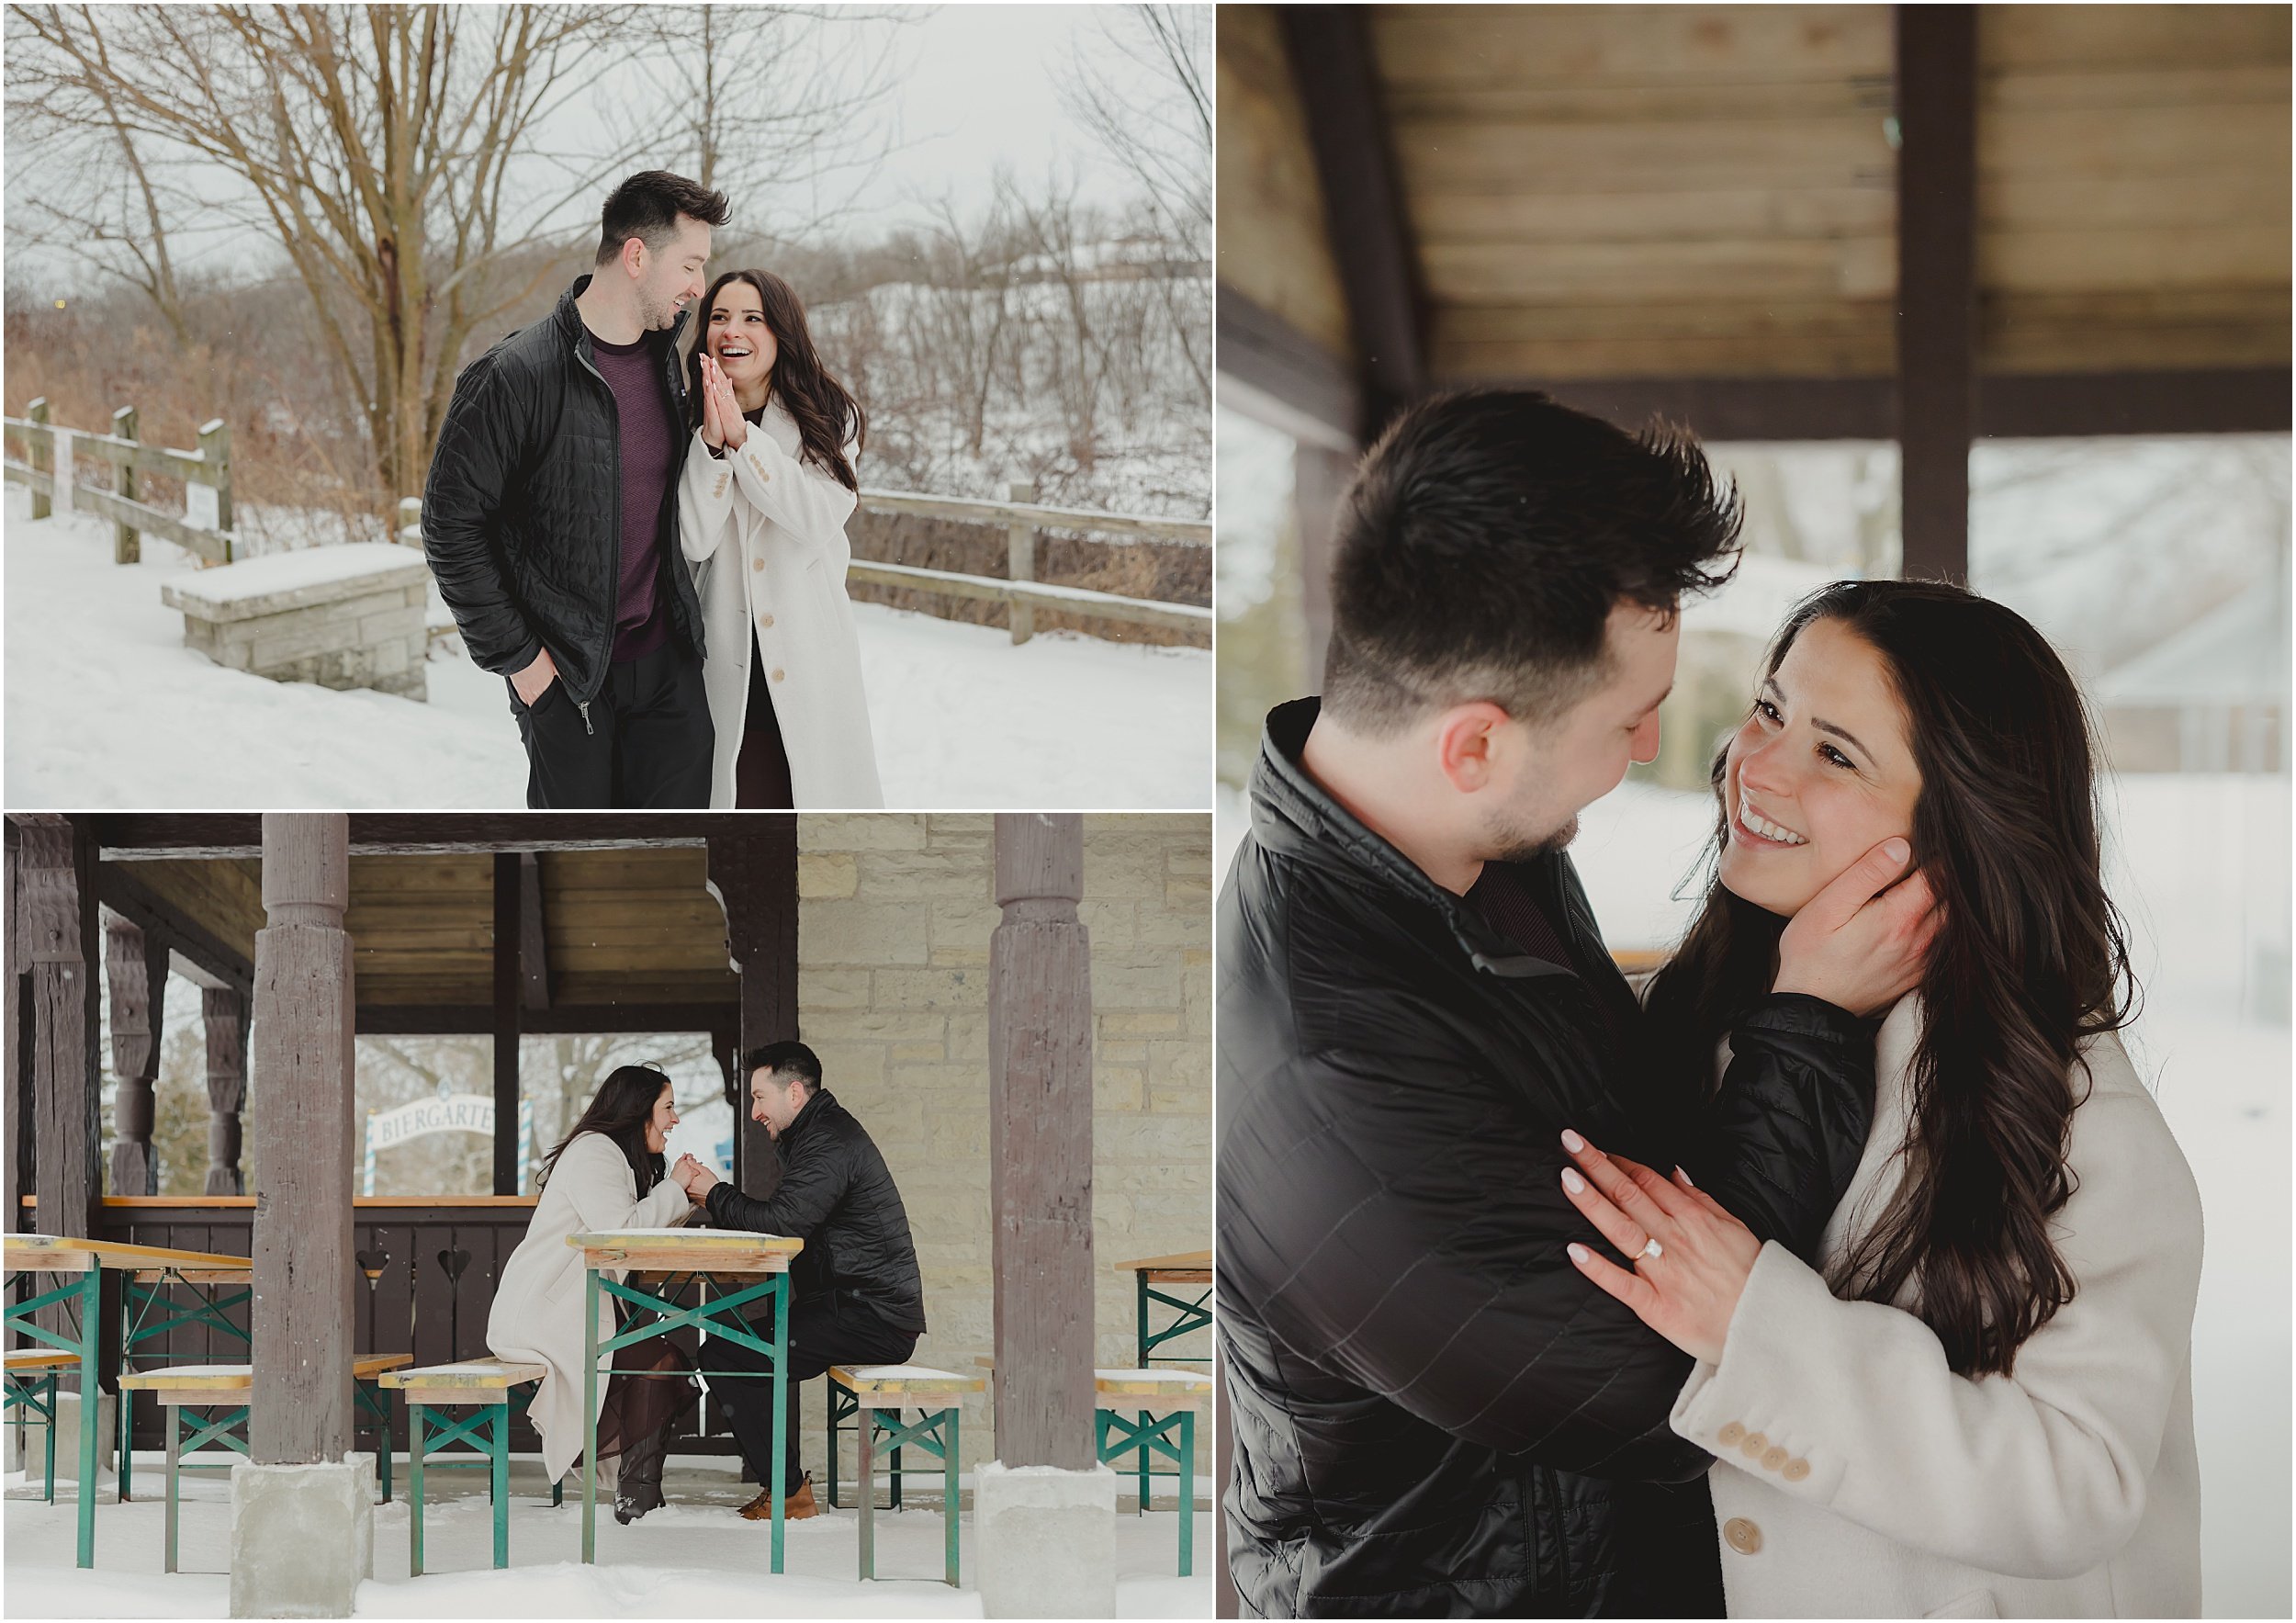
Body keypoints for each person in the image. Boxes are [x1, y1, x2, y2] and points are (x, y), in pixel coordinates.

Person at [1215, 389, 1938, 1616]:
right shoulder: (1333, 1089)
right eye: (1627, 715)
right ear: (1475, 745)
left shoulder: (1465, 846)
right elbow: (1671, 1381)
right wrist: (1809, 1020)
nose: (1658, 747)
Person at [1557, 580, 2203, 1617]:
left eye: (1835, 752)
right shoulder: (1689, 1023)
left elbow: (2078, 1484)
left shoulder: (2080, 1128)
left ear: (1961, 828)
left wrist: (1754, 1323)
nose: (1752, 765)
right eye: (1770, 710)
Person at [424, 170, 728, 808]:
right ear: (637, 256)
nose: (699, 287)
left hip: (668, 675)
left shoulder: (667, 364)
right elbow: (451, 529)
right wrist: (527, 669)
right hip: (568, 685)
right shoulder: (515, 376)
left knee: (670, 866)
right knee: (584, 871)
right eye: (691, 265)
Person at [671, 1041, 925, 1521]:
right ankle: (786, 1489)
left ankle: (790, 1495)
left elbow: (782, 1225)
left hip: (871, 1314)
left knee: (729, 1352)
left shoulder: (828, 1141)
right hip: (852, 1304)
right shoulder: (820, 1135)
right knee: (731, 1345)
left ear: (793, 1093)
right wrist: (715, 1195)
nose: (753, 1112)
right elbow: (789, 1222)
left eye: (759, 1098)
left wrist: (712, 1192)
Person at [681, 268, 884, 808]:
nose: (732, 332)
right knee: (739, 810)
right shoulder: (681, 417)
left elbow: (816, 517)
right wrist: (712, 444)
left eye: (753, 318)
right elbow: (693, 540)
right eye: (719, 317)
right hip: (723, 657)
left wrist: (746, 441)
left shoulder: (827, 416)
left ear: (781, 333)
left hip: (805, 653)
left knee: (810, 812)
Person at [487, 1065, 700, 1524]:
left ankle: (638, 1491)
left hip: (569, 1312)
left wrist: (680, 1196)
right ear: (639, 1111)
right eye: (668, 1107)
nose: (675, 1119)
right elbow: (619, 1233)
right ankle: (637, 1494)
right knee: (659, 1362)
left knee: (662, 1360)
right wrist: (676, 1188)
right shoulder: (595, 1153)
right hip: (545, 1315)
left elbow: (631, 1232)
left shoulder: (611, 1157)